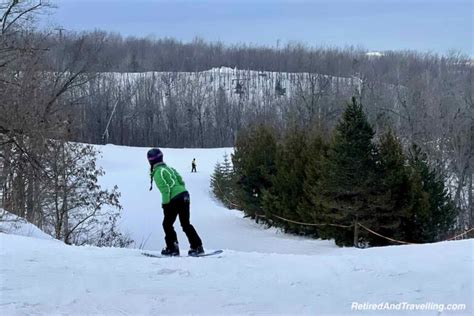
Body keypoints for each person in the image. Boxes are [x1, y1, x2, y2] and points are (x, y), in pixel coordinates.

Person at [147, 148, 204, 256]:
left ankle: (172, 247)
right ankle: (197, 247)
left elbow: (165, 189)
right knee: (186, 224)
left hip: (174, 199)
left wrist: (165, 204)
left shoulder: (158, 172)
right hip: (185, 195)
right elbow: (181, 181)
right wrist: (180, 192)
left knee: (167, 224)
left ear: (150, 161)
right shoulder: (169, 168)